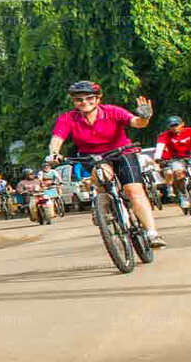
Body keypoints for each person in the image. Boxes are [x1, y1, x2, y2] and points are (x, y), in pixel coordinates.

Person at [46, 80, 165, 247]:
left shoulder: (112, 111)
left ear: (98, 99)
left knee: (133, 190)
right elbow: (57, 138)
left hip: (122, 153)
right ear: (74, 102)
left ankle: (152, 233)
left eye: (89, 98)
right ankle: (103, 205)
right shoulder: (68, 118)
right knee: (101, 175)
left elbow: (137, 123)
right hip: (94, 157)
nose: (84, 102)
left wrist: (145, 116)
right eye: (79, 99)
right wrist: (53, 153)